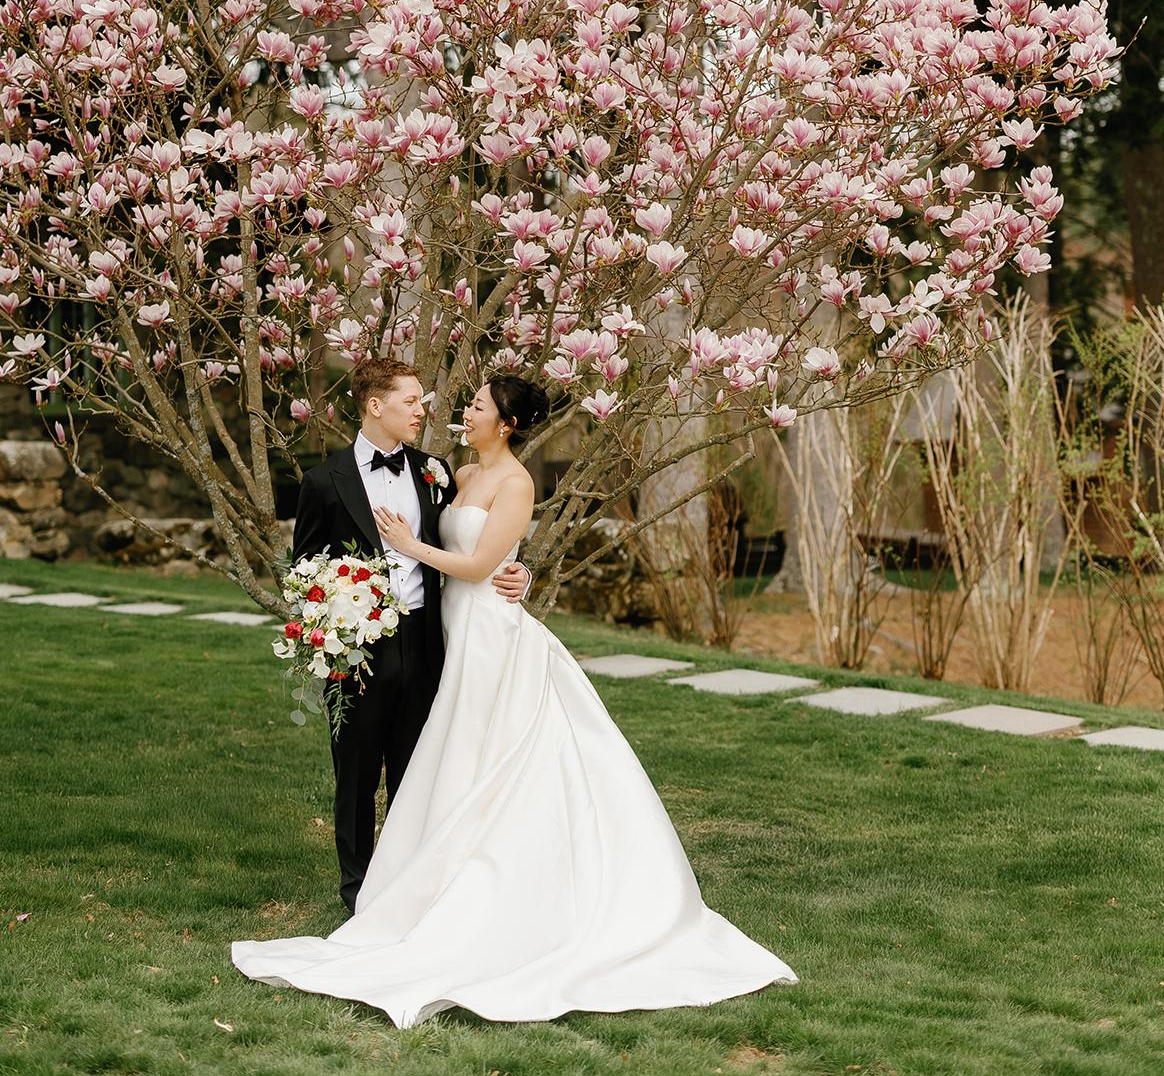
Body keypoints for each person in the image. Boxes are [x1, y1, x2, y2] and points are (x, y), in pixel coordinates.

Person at [233, 372, 796, 1026]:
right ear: (374, 404)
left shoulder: (467, 474)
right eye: (423, 402)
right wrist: (332, 631)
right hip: (388, 644)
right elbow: (315, 567)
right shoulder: (444, 475)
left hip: (465, 642)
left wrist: (484, 562)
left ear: (504, 422)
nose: (447, 411)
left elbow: (477, 557)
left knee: (464, 762)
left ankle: (469, 891)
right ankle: (371, 894)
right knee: (371, 773)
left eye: (472, 405)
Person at [287, 357, 529, 909]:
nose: (423, 410)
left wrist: (520, 570)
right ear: (376, 405)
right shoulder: (324, 482)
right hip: (357, 649)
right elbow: (303, 573)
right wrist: (330, 634)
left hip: (427, 640)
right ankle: (356, 891)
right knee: (354, 770)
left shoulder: (436, 471)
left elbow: (478, 543)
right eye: (411, 402)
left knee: (416, 768)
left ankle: (407, 884)